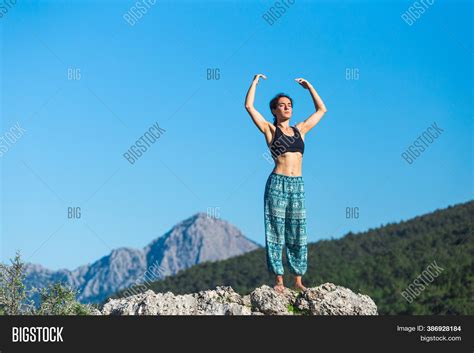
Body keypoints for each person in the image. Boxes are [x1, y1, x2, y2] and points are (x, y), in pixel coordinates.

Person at [244, 74, 328, 292]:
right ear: (274, 110)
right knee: (275, 231)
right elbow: (249, 106)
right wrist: (254, 83)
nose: (287, 108)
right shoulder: (270, 130)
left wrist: (310, 87)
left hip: (297, 185)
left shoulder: (301, 129)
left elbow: (322, 110)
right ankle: (279, 280)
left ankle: (298, 280)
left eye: (289, 105)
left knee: (298, 231)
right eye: (282, 105)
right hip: (277, 184)